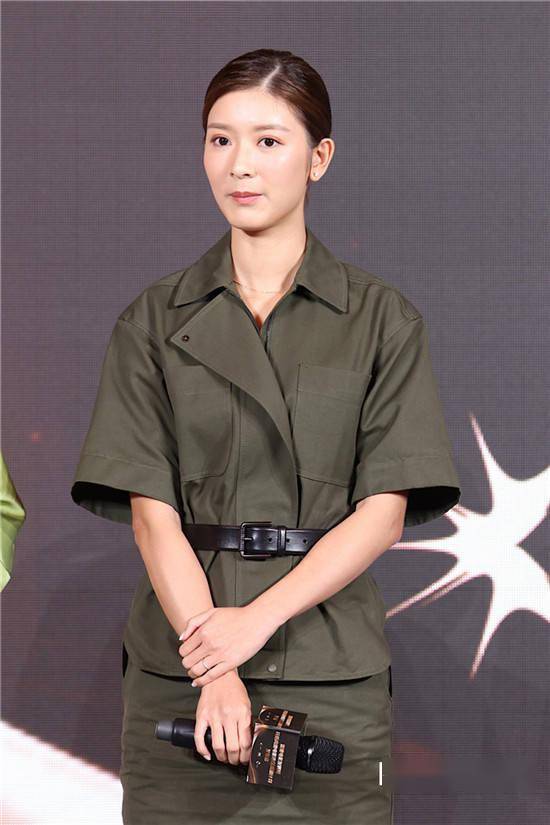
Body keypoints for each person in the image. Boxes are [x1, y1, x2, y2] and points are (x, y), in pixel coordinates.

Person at [71, 48, 461, 825]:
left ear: (320, 157)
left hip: (329, 674)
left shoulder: (382, 321)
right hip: (184, 676)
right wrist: (215, 664)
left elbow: (383, 513)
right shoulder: (152, 321)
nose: (239, 165)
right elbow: (152, 516)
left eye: (268, 141)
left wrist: (254, 622)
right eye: (220, 140)